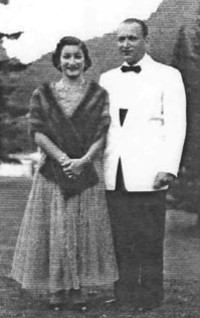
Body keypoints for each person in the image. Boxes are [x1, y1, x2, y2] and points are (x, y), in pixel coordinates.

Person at [11, 36, 118, 311]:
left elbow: (102, 133)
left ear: (86, 60)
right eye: (67, 56)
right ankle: (58, 289)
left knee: (81, 229)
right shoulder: (42, 94)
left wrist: (83, 160)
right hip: (52, 172)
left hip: (86, 170)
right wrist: (62, 159)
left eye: (78, 56)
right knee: (57, 228)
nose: (72, 62)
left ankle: (78, 288)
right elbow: (37, 131)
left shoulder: (99, 94)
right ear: (58, 60)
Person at [100, 18, 186, 311]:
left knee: (148, 238)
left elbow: (177, 125)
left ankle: (150, 296)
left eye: (132, 39)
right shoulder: (107, 78)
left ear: (145, 40)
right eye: (121, 39)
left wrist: (169, 166)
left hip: (150, 170)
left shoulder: (168, 75)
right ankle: (124, 294)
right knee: (120, 239)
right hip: (116, 171)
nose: (125, 44)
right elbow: (105, 127)